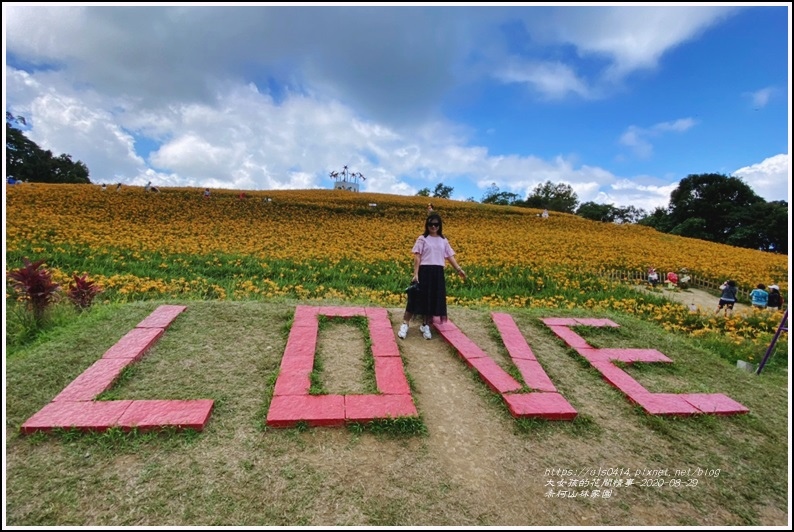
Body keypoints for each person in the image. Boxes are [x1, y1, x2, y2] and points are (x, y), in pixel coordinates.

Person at [398, 213, 466, 340]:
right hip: (424, 271)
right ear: (427, 225)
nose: (433, 226)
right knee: (416, 298)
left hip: (437, 272)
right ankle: (405, 323)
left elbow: (449, 256)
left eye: (436, 224)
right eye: (431, 224)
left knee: (431, 299)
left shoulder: (443, 240)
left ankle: (425, 324)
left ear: (439, 226)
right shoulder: (422, 239)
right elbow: (417, 257)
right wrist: (416, 274)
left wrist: (458, 269)